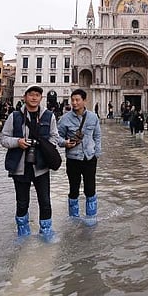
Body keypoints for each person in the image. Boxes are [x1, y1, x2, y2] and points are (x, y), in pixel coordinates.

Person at [0, 85, 60, 238]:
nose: (34, 98)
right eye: (31, 94)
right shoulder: (14, 116)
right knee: (22, 202)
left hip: (41, 165)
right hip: (20, 166)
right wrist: (18, 142)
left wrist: (45, 147)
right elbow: (3, 138)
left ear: (41, 98)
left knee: (45, 201)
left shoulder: (49, 116)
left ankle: (46, 233)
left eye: (37, 95)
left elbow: (55, 137)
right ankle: (23, 234)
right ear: (25, 97)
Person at [57, 89, 102, 221]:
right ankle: (73, 218)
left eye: (77, 100)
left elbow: (97, 135)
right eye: (73, 100)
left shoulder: (93, 117)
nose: (74, 103)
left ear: (84, 101)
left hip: (89, 157)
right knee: (74, 189)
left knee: (90, 188)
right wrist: (64, 143)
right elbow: (57, 137)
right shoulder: (64, 119)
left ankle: (91, 217)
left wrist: (97, 152)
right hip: (73, 159)